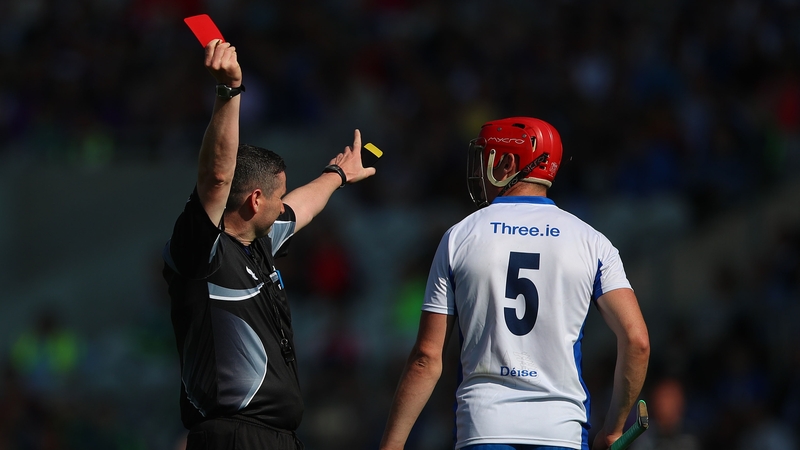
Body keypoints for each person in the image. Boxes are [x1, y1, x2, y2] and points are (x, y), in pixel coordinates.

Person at [379, 117, 650, 450]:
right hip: (562, 431)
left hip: (484, 426)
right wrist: (613, 428)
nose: (480, 169)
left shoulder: (460, 236)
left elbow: (426, 357)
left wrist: (392, 443)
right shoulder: (592, 242)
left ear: (507, 162)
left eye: (487, 157)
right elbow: (637, 341)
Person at [162, 39, 375, 449]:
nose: (284, 207)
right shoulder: (202, 252)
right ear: (255, 199)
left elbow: (301, 209)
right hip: (232, 437)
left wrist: (338, 174)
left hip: (278, 438)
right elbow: (217, 178)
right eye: (278, 196)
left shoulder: (258, 244)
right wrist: (229, 92)